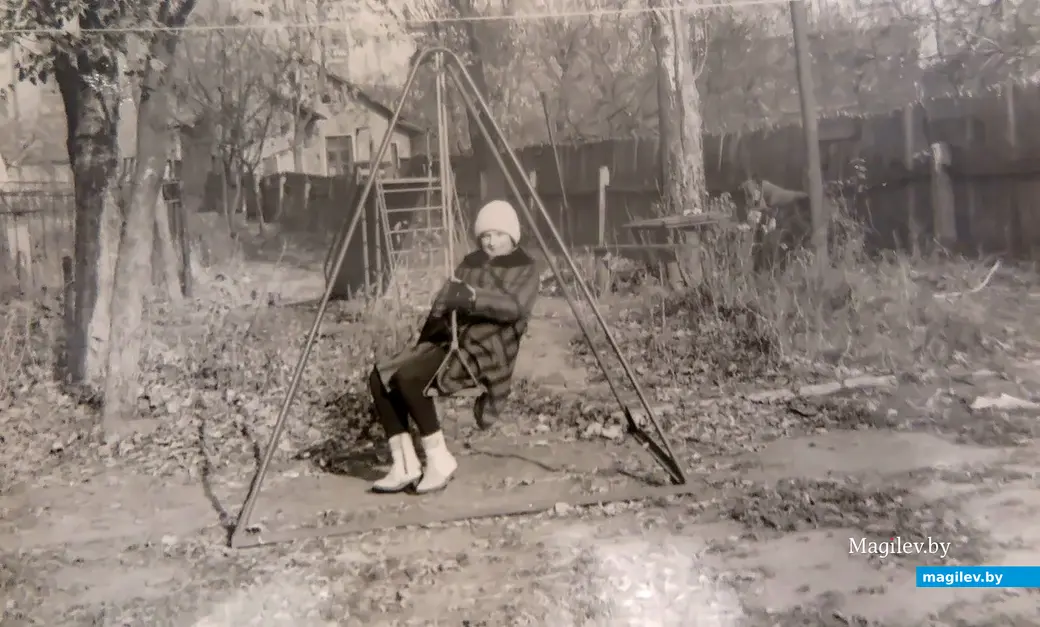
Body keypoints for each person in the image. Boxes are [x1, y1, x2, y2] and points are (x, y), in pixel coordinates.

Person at [368, 200, 540, 494]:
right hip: (451, 341)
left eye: (498, 235)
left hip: (487, 349)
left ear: (513, 236)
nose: (490, 241)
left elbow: (515, 308)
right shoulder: (470, 262)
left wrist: (474, 298)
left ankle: (439, 460)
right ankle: (405, 463)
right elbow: (446, 298)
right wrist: (438, 315)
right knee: (380, 377)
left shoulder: (525, 268)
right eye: (485, 235)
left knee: (410, 379)